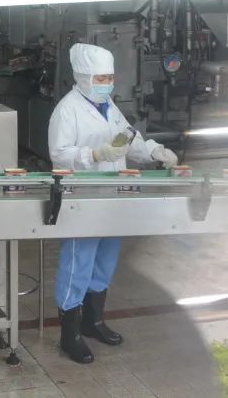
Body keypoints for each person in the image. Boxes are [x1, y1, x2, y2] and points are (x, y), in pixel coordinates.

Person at [49, 43, 179, 365]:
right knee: (79, 261)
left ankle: (93, 322)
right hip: (83, 198)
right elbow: (59, 154)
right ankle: (70, 334)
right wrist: (94, 154)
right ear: (83, 77)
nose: (107, 83)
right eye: (101, 78)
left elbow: (128, 138)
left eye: (109, 77)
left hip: (113, 195)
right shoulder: (67, 109)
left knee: (105, 258)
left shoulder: (108, 104)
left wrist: (154, 151)